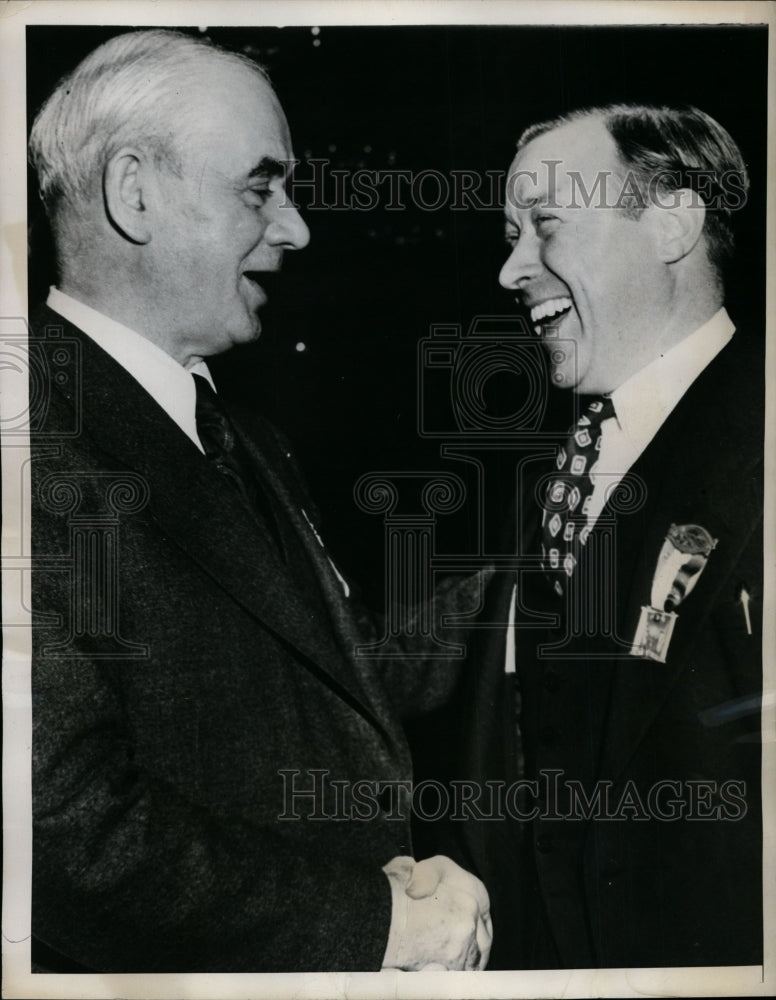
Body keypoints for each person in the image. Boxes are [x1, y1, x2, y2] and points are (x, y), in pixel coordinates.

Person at [27, 28, 491, 973]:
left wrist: (546, 569)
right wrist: (377, 922)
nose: (297, 227)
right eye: (259, 188)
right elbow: (62, 833)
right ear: (135, 193)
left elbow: (347, 675)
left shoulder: (242, 436)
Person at [452, 104, 763, 969]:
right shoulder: (558, 477)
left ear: (672, 221)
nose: (513, 270)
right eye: (512, 235)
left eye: (545, 226)